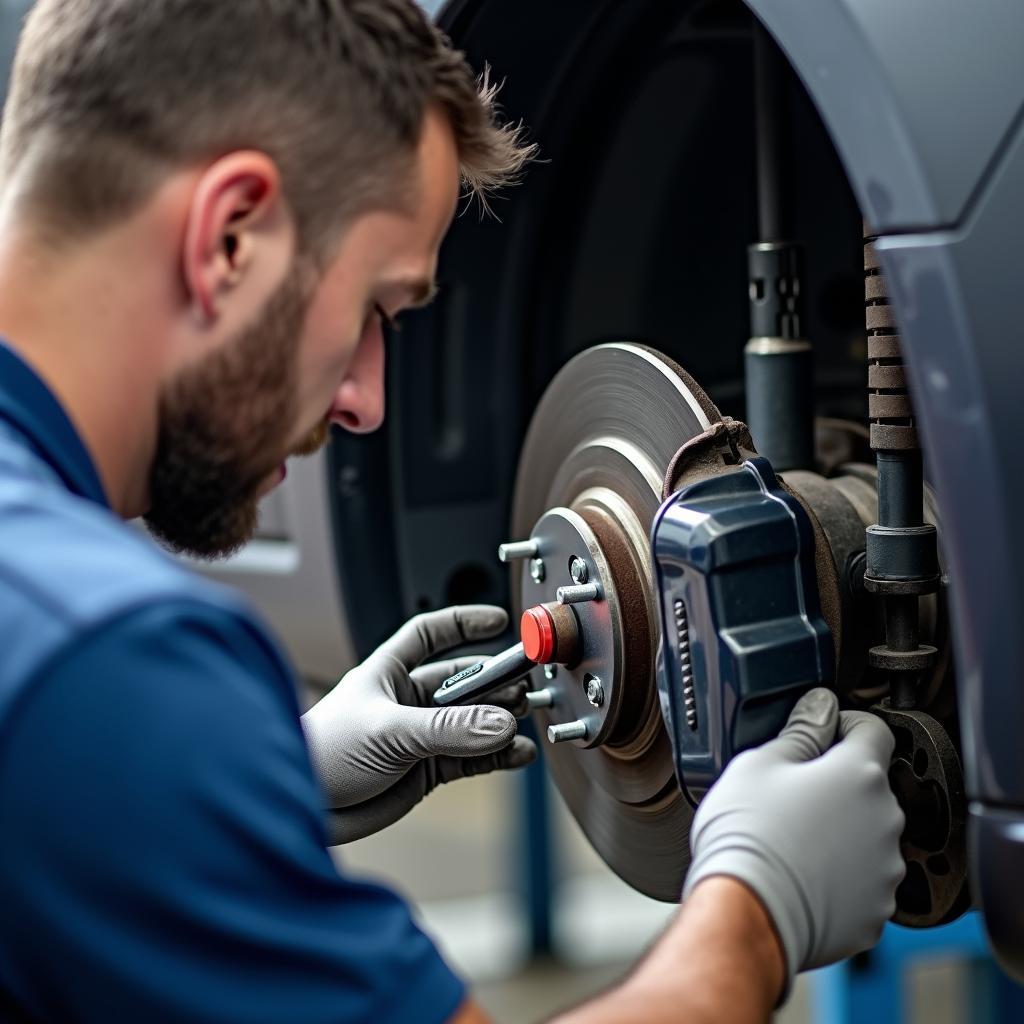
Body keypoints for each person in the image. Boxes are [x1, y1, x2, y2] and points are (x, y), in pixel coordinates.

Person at [0, 1, 904, 1021]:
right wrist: (760, 906)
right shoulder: (105, 660)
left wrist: (250, 782)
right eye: (378, 310)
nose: (368, 402)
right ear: (231, 236)